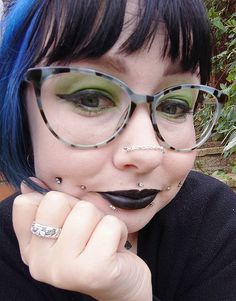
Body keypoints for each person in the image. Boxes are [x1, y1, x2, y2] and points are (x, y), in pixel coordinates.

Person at [0, 0, 235, 300]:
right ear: (18, 108)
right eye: (91, 98)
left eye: (175, 105)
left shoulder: (217, 222)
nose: (148, 153)